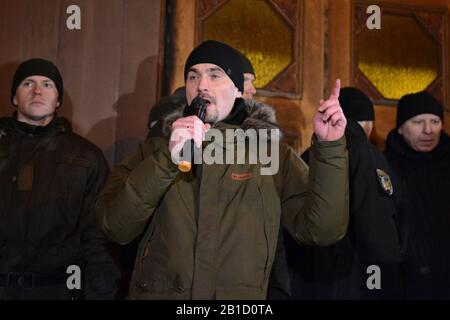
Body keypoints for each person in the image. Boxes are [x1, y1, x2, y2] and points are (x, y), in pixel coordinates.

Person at [95, 40, 349, 300]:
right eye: (193, 76)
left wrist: (329, 148)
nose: (201, 84)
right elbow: (114, 226)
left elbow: (322, 229)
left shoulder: (271, 156)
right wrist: (167, 160)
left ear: (238, 90)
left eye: (215, 75)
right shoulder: (154, 150)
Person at [0, 58, 120, 299]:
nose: (37, 91)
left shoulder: (85, 156)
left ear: (58, 100)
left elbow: (97, 236)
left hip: (58, 291)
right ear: (14, 97)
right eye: (27, 83)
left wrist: (101, 293)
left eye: (47, 84)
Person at [286, 87, 402, 299]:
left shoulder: (308, 154)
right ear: (367, 124)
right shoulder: (369, 155)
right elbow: (376, 224)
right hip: (353, 278)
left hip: (308, 277)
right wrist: (384, 281)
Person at [385, 91, 450, 299]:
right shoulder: (383, 167)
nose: (428, 130)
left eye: (435, 121)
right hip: (401, 281)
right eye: (418, 122)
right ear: (401, 128)